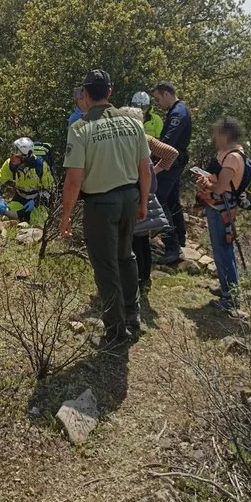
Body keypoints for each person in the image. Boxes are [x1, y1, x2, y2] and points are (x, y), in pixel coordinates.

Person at [60, 69, 151, 348]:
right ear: (110, 93)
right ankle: (133, 319)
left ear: (85, 94)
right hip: (130, 198)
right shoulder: (133, 124)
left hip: (101, 203)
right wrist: (144, 202)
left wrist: (65, 216)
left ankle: (115, 332)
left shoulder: (80, 129)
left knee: (106, 266)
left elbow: (74, 179)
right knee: (126, 258)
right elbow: (145, 169)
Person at [122, 108, 179, 302]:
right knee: (142, 238)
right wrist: (155, 170)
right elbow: (171, 154)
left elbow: (171, 154)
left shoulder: (131, 140)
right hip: (146, 191)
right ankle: (144, 278)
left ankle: (137, 279)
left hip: (134, 192)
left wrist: (151, 171)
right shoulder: (146, 138)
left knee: (134, 239)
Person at [195, 117, 245, 314]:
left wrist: (205, 184)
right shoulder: (227, 153)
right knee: (221, 249)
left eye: (216, 133)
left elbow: (221, 187)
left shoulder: (233, 157)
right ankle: (226, 288)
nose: (214, 137)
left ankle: (230, 297)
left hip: (222, 209)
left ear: (225, 135)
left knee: (223, 250)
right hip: (218, 207)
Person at [151, 81, 192, 264]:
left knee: (159, 200)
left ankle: (172, 247)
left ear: (167, 94)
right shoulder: (178, 110)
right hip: (175, 161)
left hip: (170, 162)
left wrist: (152, 156)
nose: (157, 104)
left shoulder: (178, 113)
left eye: (158, 99)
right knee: (172, 201)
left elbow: (169, 141)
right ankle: (180, 238)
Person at [0, 137, 55, 227]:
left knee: (38, 223)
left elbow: (50, 189)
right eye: (12, 152)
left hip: (37, 202)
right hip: (20, 198)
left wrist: (35, 202)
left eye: (16, 154)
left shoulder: (41, 166)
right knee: (7, 219)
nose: (11, 156)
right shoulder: (10, 164)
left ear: (25, 157)